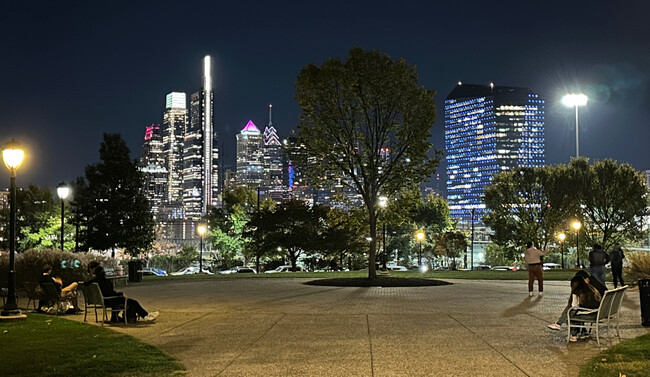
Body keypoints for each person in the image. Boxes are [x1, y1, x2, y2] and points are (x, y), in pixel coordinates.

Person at [85, 261, 158, 323]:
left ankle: (141, 316)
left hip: (104, 300)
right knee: (133, 302)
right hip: (109, 300)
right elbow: (110, 293)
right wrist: (121, 294)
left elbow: (87, 283)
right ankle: (145, 316)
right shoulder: (104, 281)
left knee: (130, 302)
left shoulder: (94, 281)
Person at [565, 275, 602, 342]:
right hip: (598, 313)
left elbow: (574, 307)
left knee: (570, 316)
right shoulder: (592, 289)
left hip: (590, 314)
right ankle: (583, 331)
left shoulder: (577, 292)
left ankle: (574, 336)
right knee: (578, 314)